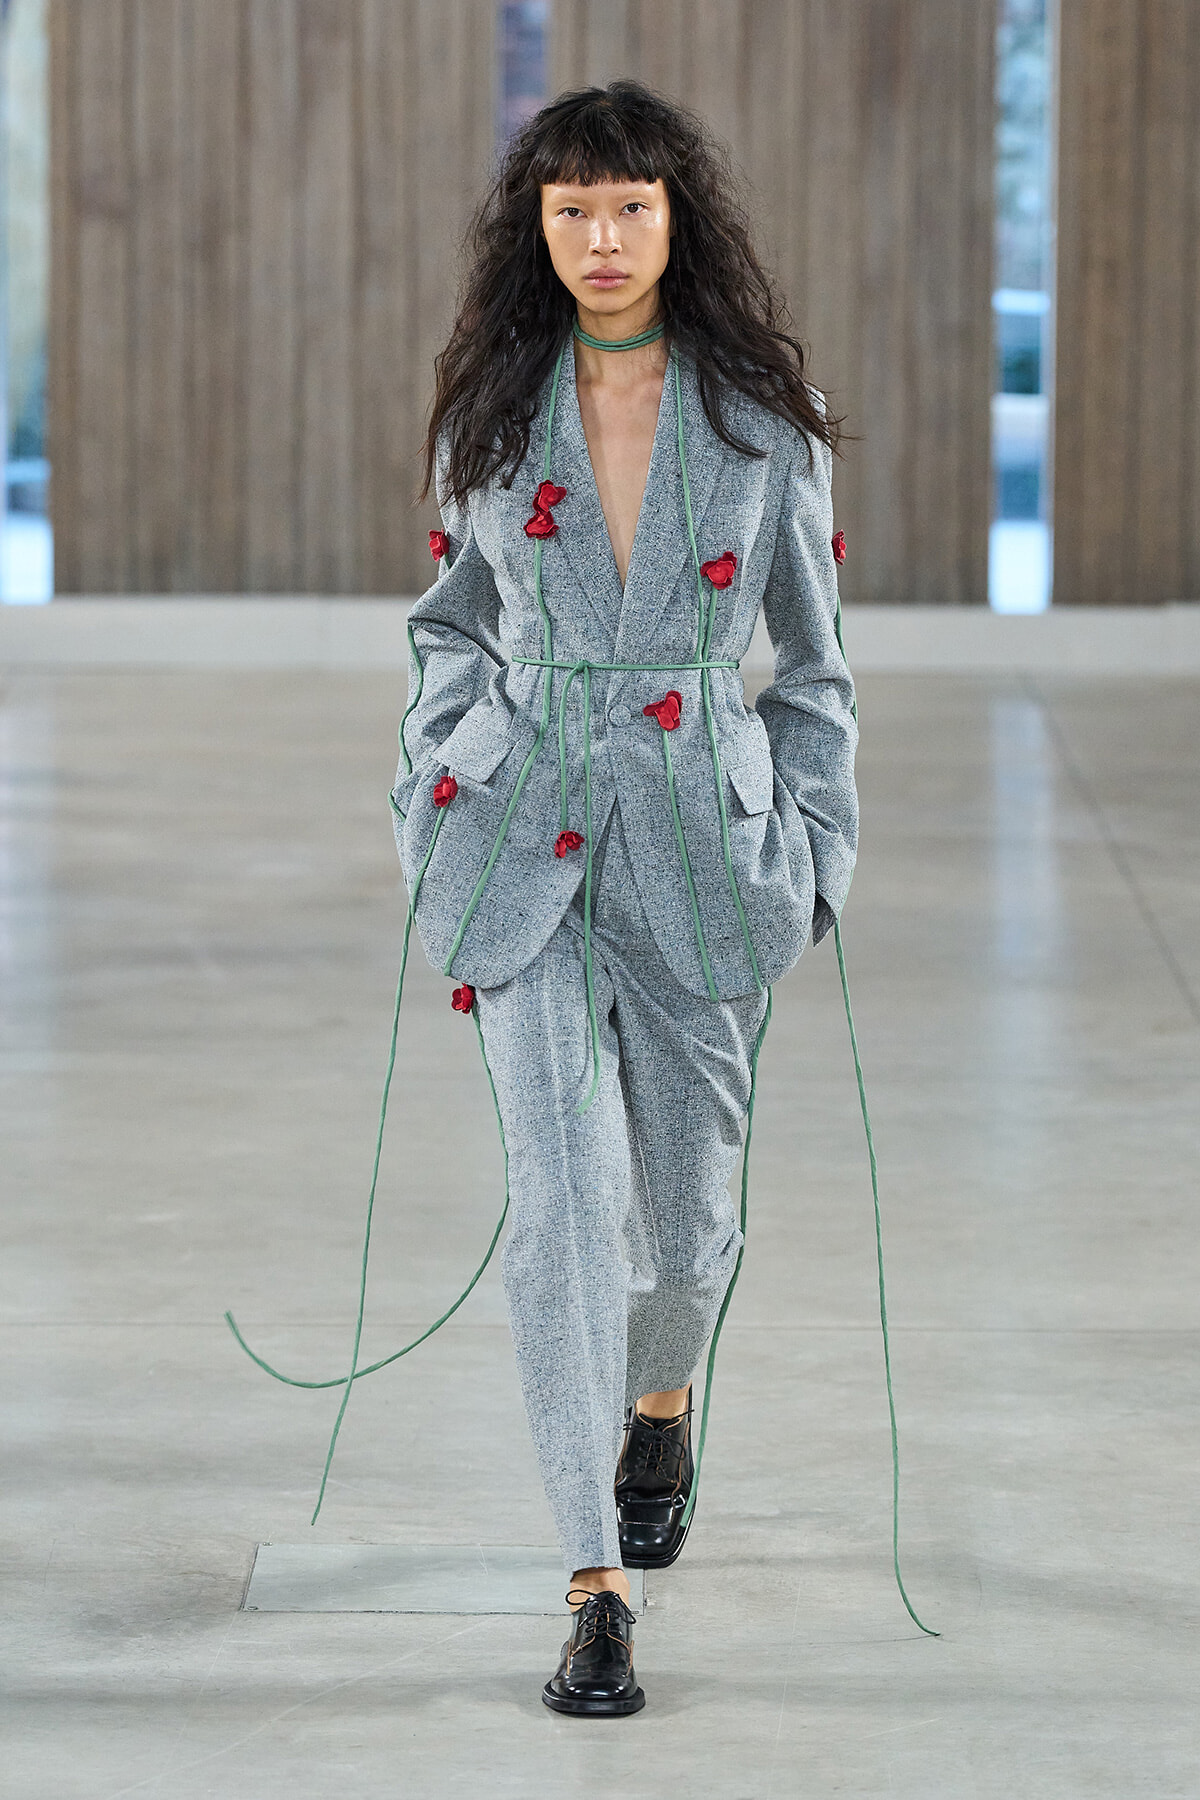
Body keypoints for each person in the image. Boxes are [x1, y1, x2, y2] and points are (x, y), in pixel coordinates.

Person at [395, 79, 858, 1716]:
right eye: (573, 207)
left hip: (703, 849)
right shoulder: (488, 412)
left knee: (690, 1223)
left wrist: (818, 846)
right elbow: (448, 625)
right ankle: (594, 1581)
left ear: (678, 219)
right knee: (561, 1206)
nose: (602, 236)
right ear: (537, 227)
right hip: (520, 835)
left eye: (631, 206)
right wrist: (432, 781)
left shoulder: (764, 421)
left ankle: (661, 1399)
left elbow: (813, 663)